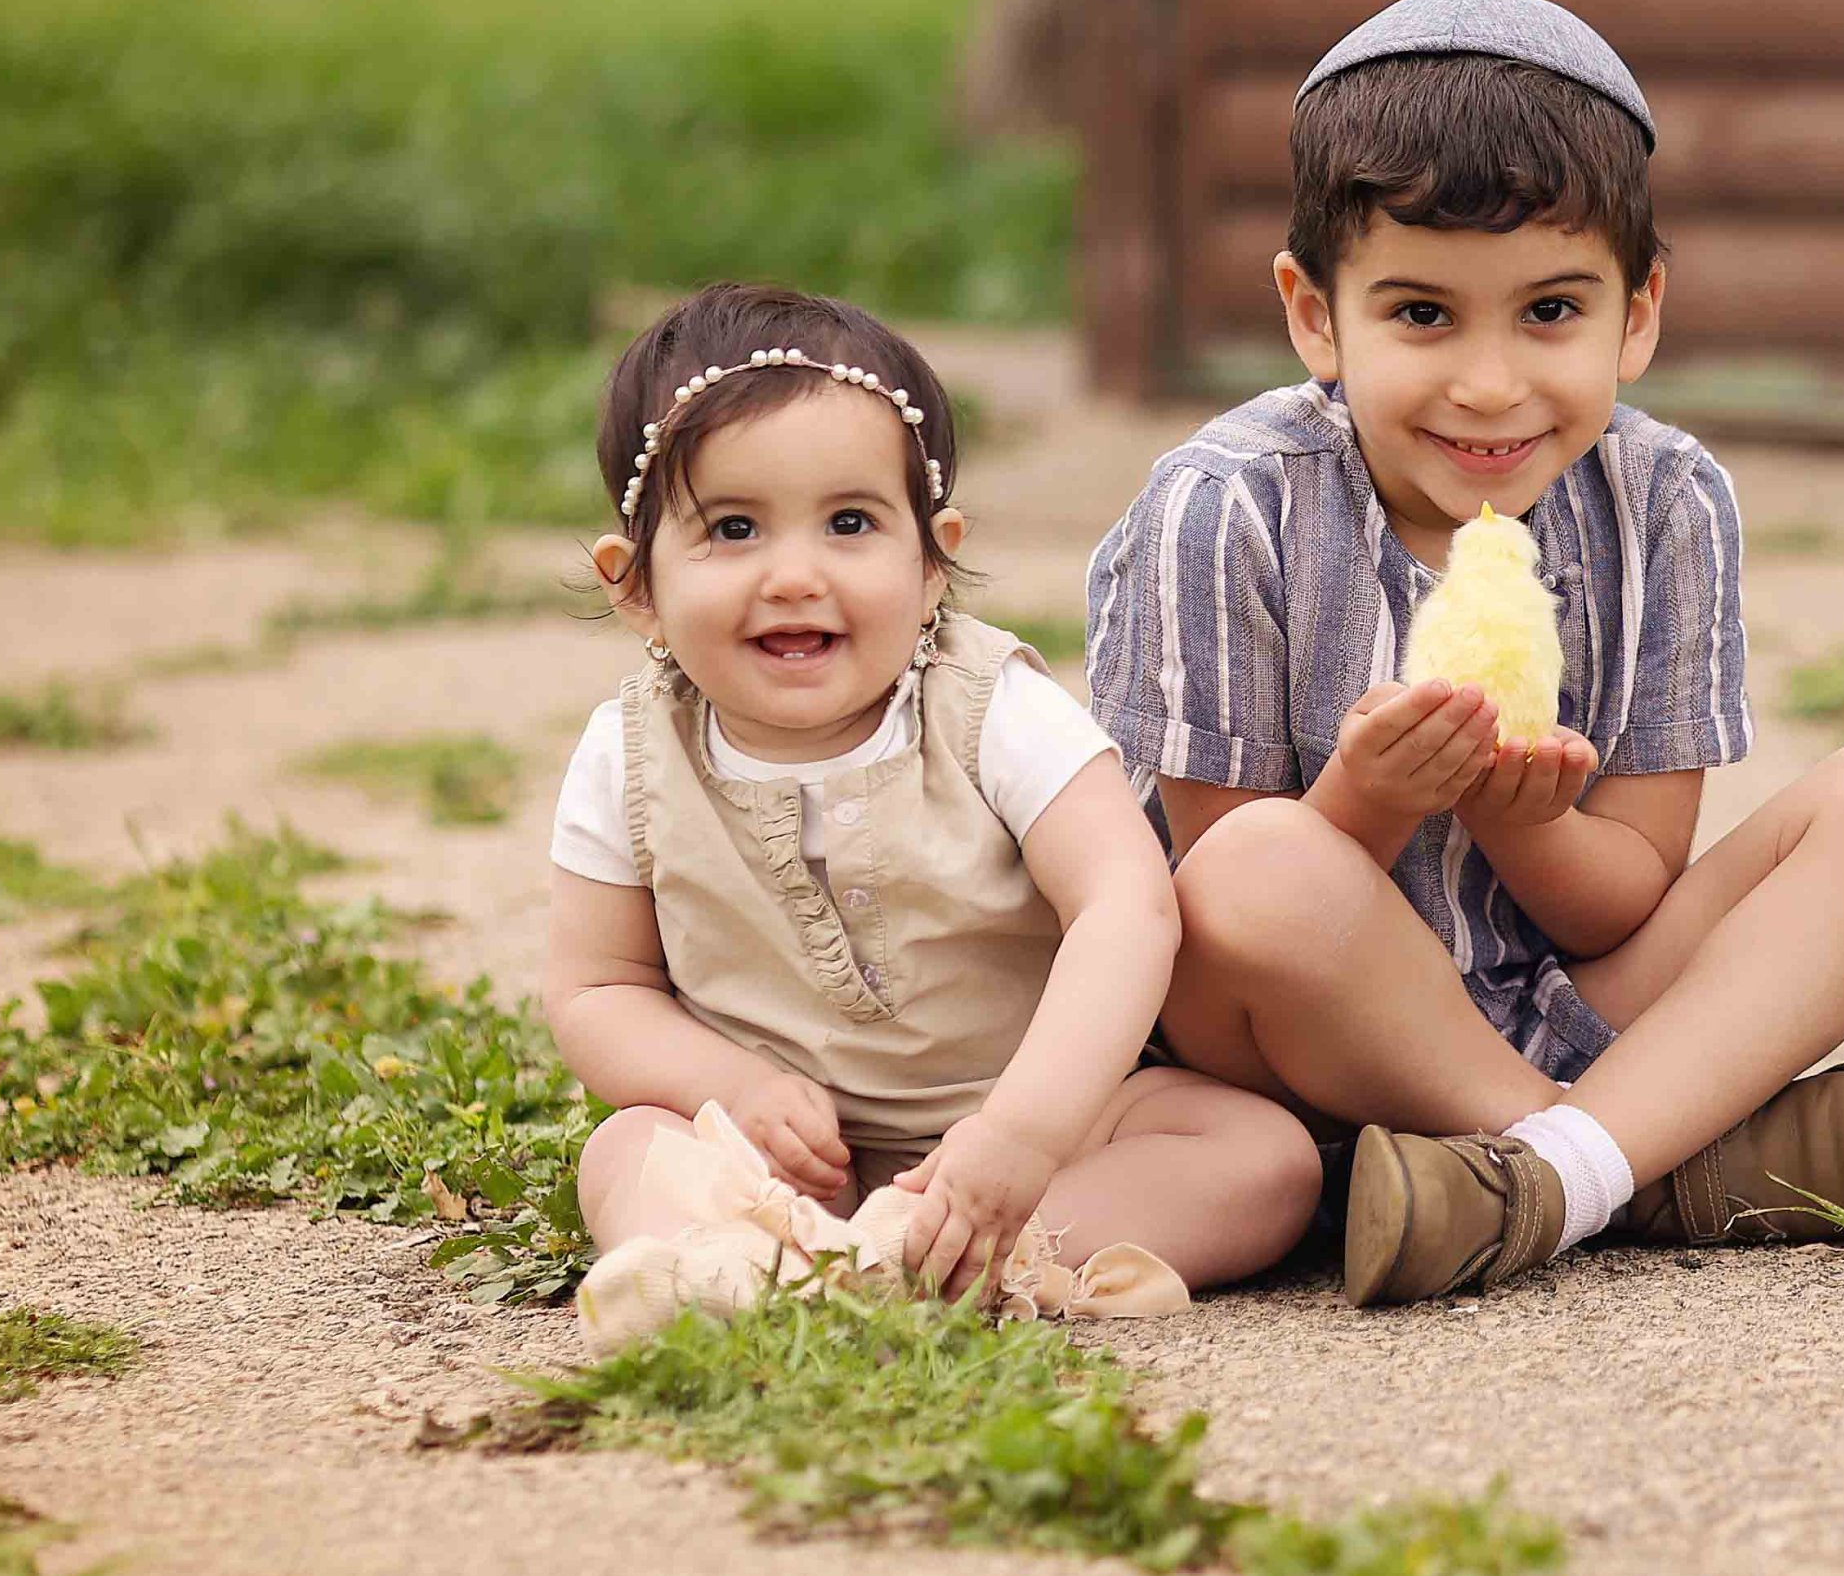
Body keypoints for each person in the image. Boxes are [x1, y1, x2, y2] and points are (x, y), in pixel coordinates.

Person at [1087, 0, 1844, 1308]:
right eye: (1423, 314)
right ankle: (1646, 1157)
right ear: (1311, 312)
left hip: (1560, 990)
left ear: (1639, 310)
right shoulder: (1224, 505)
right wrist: (1374, 799)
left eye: (1552, 313)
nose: (1493, 383)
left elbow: (1627, 893)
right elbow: (1209, 903)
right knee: (1272, 859)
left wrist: (1524, 824)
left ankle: (1524, 1177)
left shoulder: (1666, 500)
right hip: (1279, 1047)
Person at [544, 283, 1320, 1337]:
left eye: (850, 523)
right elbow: (599, 986)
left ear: (931, 559)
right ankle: (743, 1258)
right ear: (634, 583)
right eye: (731, 528)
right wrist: (729, 1083)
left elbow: (1125, 905)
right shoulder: (628, 753)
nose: (793, 575)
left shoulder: (988, 706)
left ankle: (929, 1256)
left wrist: (1023, 1134)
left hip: (1039, 1123)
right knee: (626, 1146)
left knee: (1261, 1159)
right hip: (784, 1154)